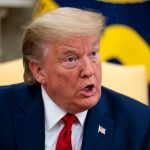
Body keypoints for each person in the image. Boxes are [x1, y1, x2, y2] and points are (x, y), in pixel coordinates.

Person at [0, 7, 149, 150]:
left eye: (93, 54)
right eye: (71, 59)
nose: (89, 71)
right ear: (40, 71)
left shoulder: (139, 124)